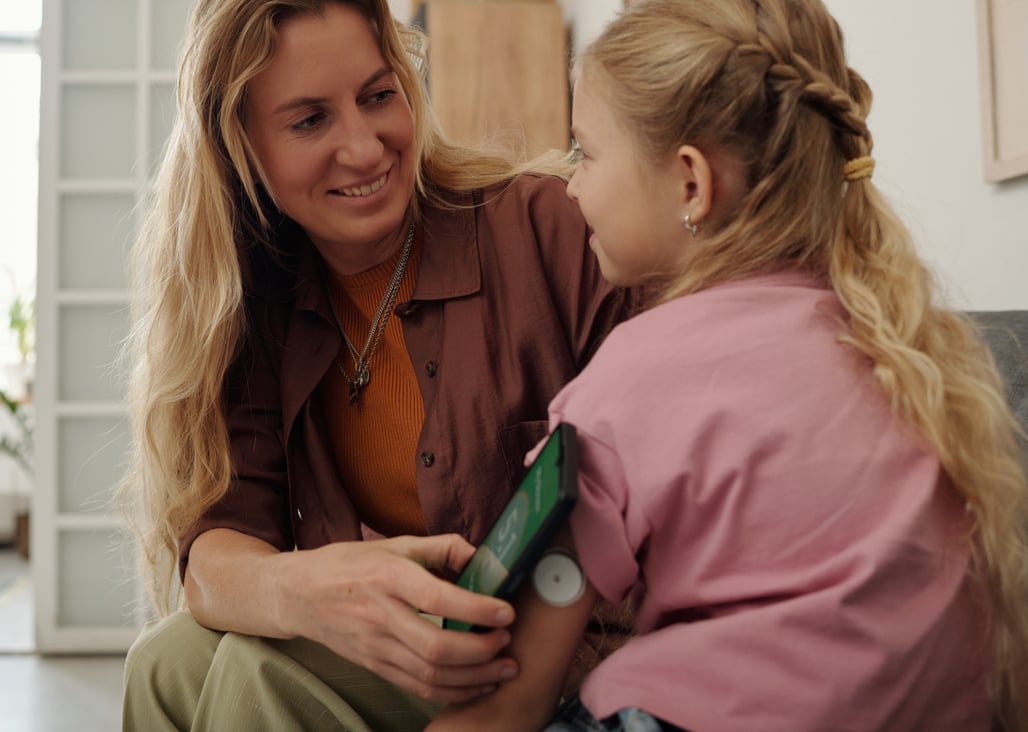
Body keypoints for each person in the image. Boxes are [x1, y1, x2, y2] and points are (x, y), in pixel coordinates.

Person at [429, 0, 1028, 730]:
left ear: (690, 183)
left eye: (585, 151)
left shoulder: (631, 378)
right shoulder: (909, 350)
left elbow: (510, 697)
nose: (571, 185)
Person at [117, 1, 635, 729]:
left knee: (254, 669)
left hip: (570, 651)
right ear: (239, 145)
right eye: (309, 121)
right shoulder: (257, 300)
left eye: (377, 96)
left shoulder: (548, 230)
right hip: (436, 645)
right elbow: (213, 554)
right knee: (164, 661)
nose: (364, 148)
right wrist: (302, 590)